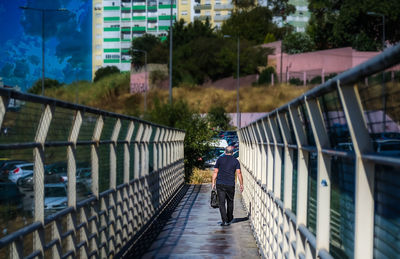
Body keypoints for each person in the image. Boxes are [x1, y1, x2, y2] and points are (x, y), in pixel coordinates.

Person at [212, 146, 243, 226]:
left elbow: (215, 172)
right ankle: (229, 218)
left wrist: (213, 182)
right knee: (230, 201)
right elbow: (239, 173)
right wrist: (241, 184)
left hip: (220, 184)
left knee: (221, 203)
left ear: (225, 152)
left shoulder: (219, 159)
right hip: (230, 184)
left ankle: (224, 220)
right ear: (232, 153)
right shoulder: (235, 161)